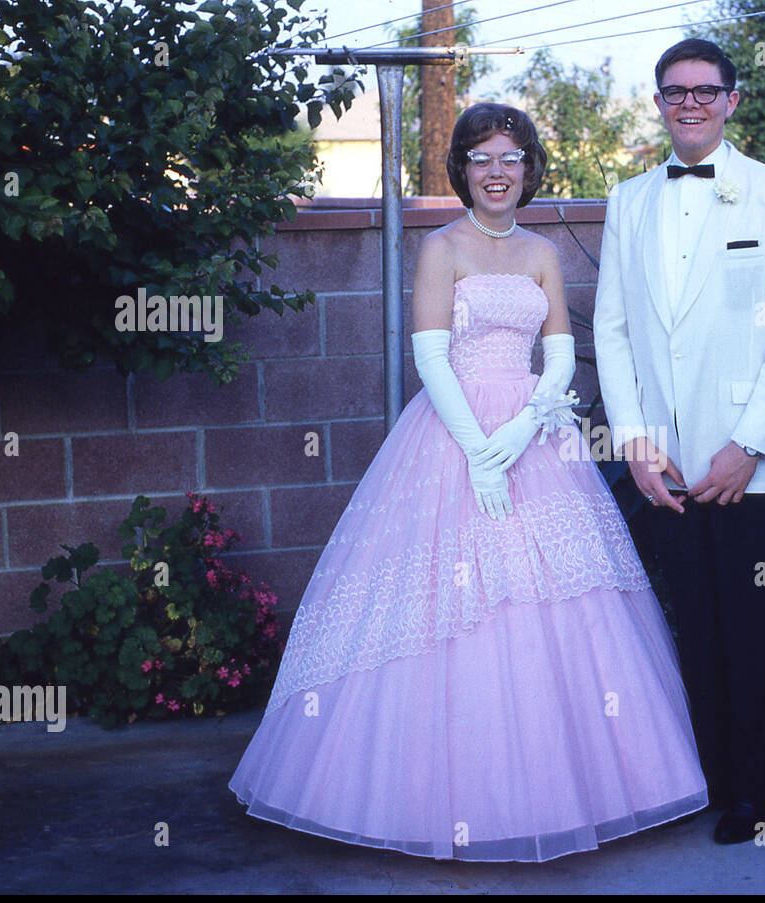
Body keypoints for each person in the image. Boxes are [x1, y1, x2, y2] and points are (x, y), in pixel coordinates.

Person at [229, 103, 708, 862]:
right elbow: (428, 356)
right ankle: (435, 800)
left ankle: (571, 792)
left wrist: (524, 428)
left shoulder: (544, 252)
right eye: (482, 157)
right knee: (446, 605)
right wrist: (481, 451)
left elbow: (557, 356)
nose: (496, 171)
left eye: (511, 157)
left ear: (528, 168)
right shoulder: (441, 248)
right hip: (452, 435)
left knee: (563, 600)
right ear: (462, 168)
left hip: (536, 434)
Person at [593, 39, 765, 844]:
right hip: (667, 465)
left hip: (749, 466)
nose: (688, 103)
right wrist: (637, 446)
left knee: (753, 635)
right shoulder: (626, 200)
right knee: (692, 628)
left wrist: (748, 444)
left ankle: (755, 796)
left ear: (732, 99)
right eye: (673, 92)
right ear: (658, 103)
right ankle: (708, 777)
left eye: (704, 91)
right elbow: (613, 331)